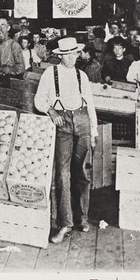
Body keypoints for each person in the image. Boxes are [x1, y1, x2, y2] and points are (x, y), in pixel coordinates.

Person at [34, 37, 98, 244]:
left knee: (81, 172)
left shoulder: (82, 76)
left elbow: (90, 105)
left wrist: (94, 132)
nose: (72, 58)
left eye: (75, 54)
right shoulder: (49, 74)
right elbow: (38, 100)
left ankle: (81, 217)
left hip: (83, 122)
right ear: (60, 56)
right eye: (68, 54)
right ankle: (65, 223)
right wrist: (51, 111)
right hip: (63, 124)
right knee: (63, 173)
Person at [0, 17, 25, 84]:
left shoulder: (14, 45)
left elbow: (21, 69)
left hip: (9, 83)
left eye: (3, 25)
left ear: (8, 28)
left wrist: (2, 69)